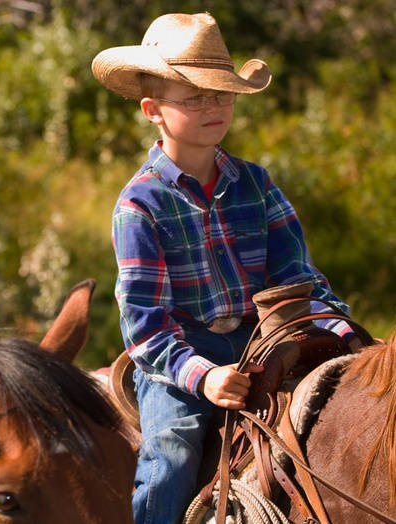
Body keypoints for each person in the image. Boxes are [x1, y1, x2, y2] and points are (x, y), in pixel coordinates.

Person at [91, 12, 356, 524]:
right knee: (172, 450)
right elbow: (144, 325)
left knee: (340, 411)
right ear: (154, 111)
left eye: (222, 93)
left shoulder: (255, 184)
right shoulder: (139, 205)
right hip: (181, 353)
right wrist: (205, 377)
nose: (213, 106)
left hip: (265, 338)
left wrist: (341, 328)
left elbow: (297, 280)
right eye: (194, 97)